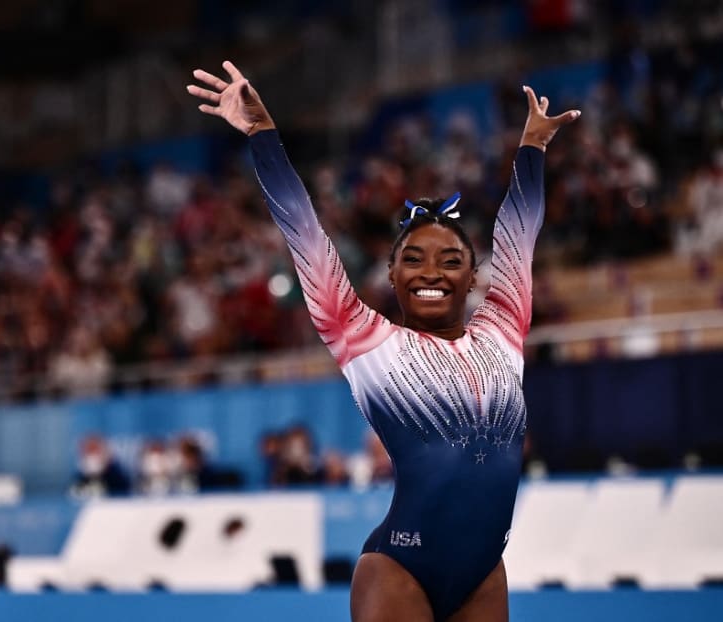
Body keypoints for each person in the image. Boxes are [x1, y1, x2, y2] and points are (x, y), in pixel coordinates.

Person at [188, 61, 579, 621]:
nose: (431, 272)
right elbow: (304, 232)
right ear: (391, 275)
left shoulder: (504, 328)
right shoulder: (365, 339)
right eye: (413, 260)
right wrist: (262, 135)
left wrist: (533, 149)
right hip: (400, 569)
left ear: (473, 276)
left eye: (450, 260)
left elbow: (521, 231)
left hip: (484, 573)